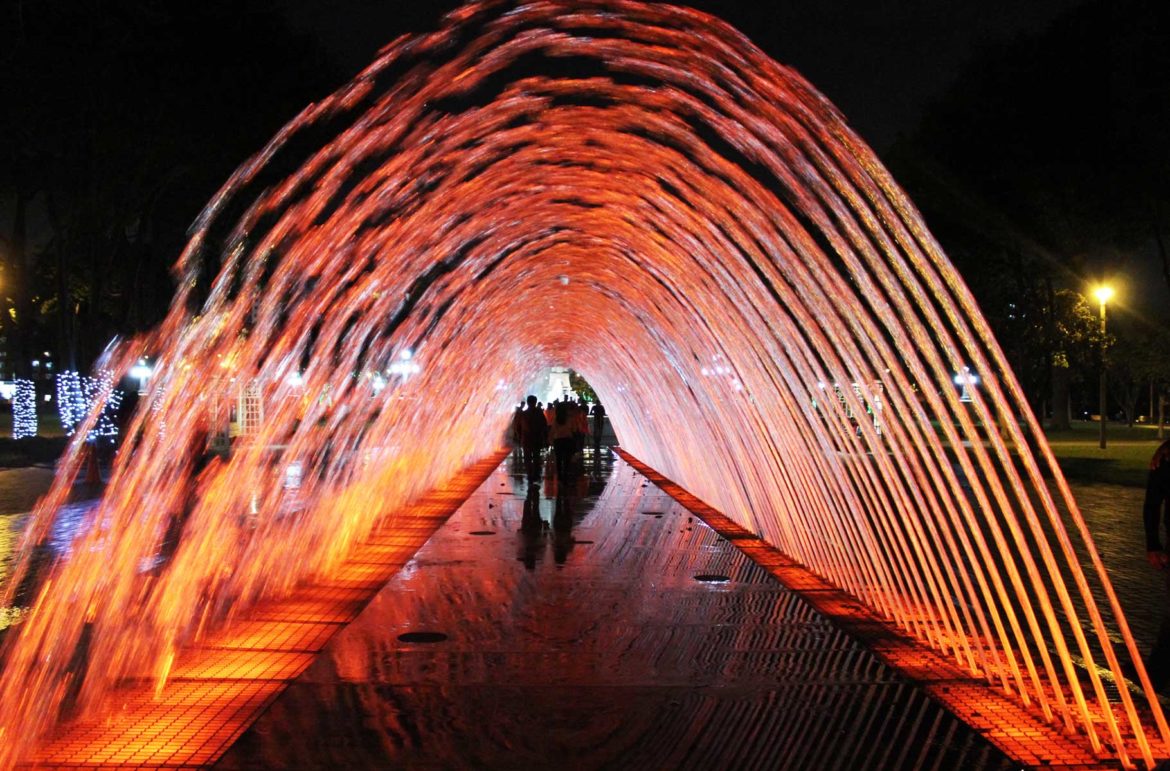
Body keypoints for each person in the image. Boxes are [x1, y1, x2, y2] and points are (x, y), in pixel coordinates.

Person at [1143, 439, 1170, 688]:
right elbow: (1152, 502)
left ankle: (1156, 671)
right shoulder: (1166, 458)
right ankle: (1156, 672)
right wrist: (1153, 544)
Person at [519, 395, 548, 482]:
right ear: (535, 402)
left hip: (527, 439)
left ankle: (530, 474)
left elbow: (520, 427)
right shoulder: (539, 413)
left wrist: (520, 437)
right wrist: (545, 437)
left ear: (527, 403)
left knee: (527, 458)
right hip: (536, 438)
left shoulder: (524, 414)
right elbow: (544, 425)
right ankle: (535, 474)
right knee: (536, 457)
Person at [547, 401, 576, 485]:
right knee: (567, 460)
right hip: (568, 440)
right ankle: (565, 476)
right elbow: (573, 429)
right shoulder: (569, 418)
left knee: (559, 460)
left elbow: (552, 431)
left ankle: (559, 477)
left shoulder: (556, 420)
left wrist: (550, 440)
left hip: (558, 441)